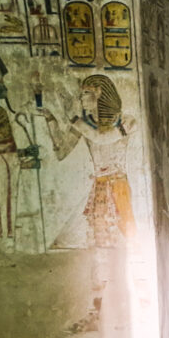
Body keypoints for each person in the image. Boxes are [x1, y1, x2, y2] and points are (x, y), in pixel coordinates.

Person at [38, 74, 136, 247]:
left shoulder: (126, 121)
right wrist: (50, 118)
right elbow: (61, 151)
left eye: (84, 93)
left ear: (98, 93)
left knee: (124, 238)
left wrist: (73, 119)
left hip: (118, 186)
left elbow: (102, 138)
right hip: (99, 186)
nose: (80, 98)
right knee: (98, 238)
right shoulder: (85, 123)